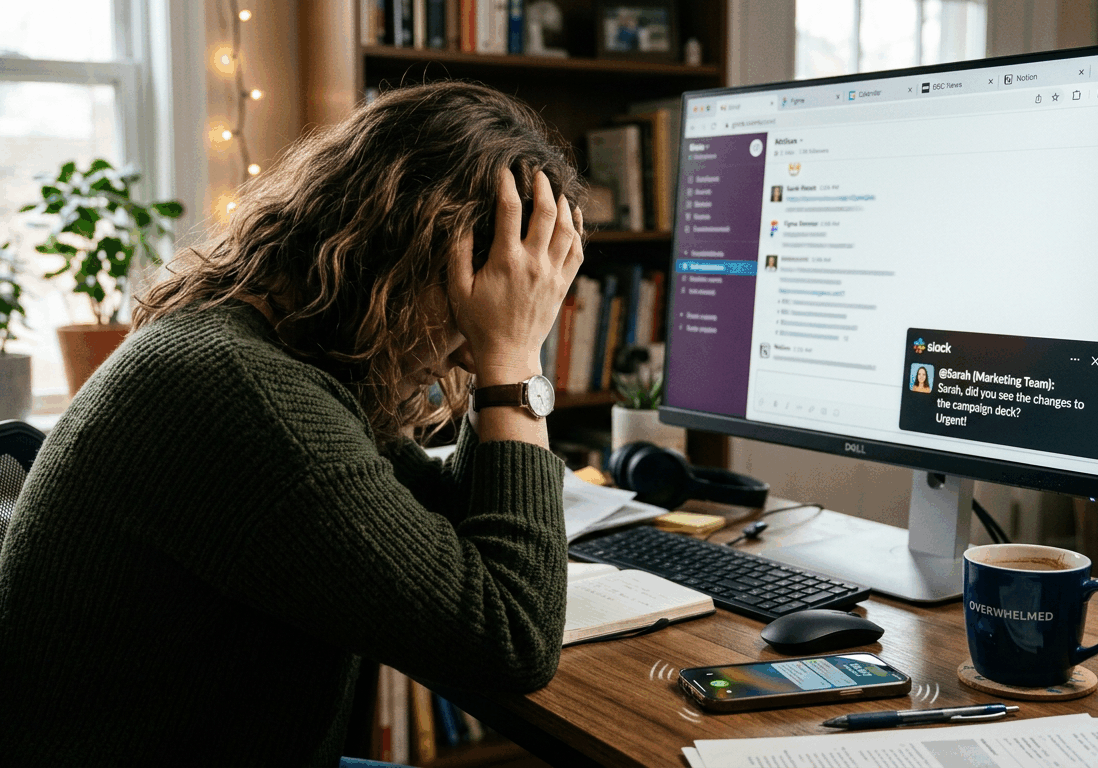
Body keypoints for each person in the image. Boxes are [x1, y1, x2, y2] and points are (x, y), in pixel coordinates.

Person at [0, 81, 584, 766]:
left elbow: (449, 532)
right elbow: (511, 638)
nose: (468, 338)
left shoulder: (255, 347)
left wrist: (501, 358)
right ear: (403, 252)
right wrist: (512, 356)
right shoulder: (247, 396)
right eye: (473, 297)